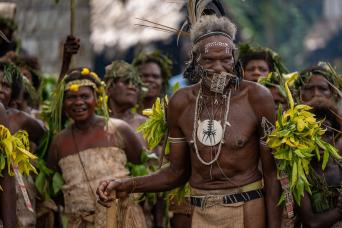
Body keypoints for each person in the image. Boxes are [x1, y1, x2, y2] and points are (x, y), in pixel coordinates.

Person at [97, 15, 282, 228]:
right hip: (201, 213)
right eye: (209, 60)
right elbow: (176, 172)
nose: (219, 68)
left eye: (225, 59)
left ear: (235, 59)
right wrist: (127, 185)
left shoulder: (256, 97)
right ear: (194, 60)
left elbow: (272, 173)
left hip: (247, 209)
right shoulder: (181, 102)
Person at [47, 68, 147, 227]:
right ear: (63, 103)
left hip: (123, 220)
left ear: (97, 98)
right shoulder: (59, 141)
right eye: (71, 97)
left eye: (85, 96)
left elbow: (143, 167)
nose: (78, 102)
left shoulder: (118, 129)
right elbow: (52, 187)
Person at [293, 62, 342, 227]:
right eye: (309, 88)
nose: (316, 94)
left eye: (322, 88)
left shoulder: (334, 125)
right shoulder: (295, 163)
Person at [104, 60, 147, 144]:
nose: (132, 87)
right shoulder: (97, 123)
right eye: (126, 82)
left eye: (136, 84)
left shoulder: (145, 125)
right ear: (109, 88)